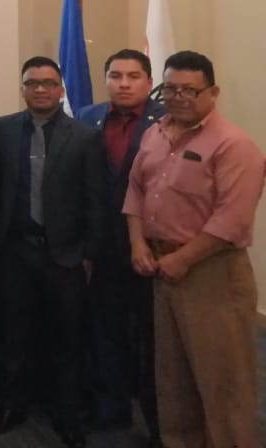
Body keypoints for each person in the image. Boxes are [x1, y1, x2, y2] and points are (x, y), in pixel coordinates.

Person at [124, 51, 264, 448]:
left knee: (223, 381)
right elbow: (135, 189)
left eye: (190, 90)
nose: (178, 97)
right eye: (170, 89)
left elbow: (232, 219)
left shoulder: (235, 145)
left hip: (212, 273)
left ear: (212, 93)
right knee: (173, 378)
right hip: (162, 268)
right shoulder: (155, 133)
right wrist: (137, 243)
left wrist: (183, 259)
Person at [0, 58, 107, 448]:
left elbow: (95, 200)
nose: (40, 89)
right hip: (15, 252)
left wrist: (88, 253)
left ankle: (66, 414)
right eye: (32, 83)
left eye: (48, 83)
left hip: (66, 255)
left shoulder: (85, 137)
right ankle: (12, 405)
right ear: (22, 88)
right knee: (12, 336)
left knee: (67, 339)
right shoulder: (2, 130)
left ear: (60, 89)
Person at [76, 48, 164, 436]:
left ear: (149, 82)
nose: (124, 84)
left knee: (153, 337)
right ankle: (111, 410)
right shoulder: (87, 117)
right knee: (106, 329)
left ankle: (159, 419)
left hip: (151, 245)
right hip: (102, 246)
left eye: (133, 76)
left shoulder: (166, 121)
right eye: (115, 76)